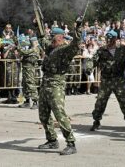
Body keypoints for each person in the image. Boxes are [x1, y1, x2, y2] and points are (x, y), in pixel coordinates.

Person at [37, 27, 79, 155]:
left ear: (59, 37)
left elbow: (75, 45)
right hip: (45, 83)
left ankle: (71, 143)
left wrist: (77, 31)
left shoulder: (65, 50)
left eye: (52, 37)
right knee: (43, 114)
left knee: (59, 114)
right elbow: (42, 40)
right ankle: (52, 140)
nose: (50, 39)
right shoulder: (51, 48)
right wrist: (37, 26)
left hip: (56, 84)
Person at [88, 30, 125, 131]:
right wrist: (88, 68)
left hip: (119, 79)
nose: (109, 41)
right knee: (100, 101)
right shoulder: (101, 50)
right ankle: (96, 121)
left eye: (111, 39)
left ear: (115, 39)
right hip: (106, 80)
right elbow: (93, 61)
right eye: (107, 39)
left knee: (124, 101)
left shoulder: (123, 50)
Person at [17, 37, 40, 109]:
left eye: (32, 41)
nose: (31, 42)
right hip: (25, 69)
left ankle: (35, 101)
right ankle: (27, 101)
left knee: (31, 84)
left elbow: (25, 52)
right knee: (25, 85)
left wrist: (19, 48)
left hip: (30, 69)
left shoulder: (35, 49)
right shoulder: (31, 48)